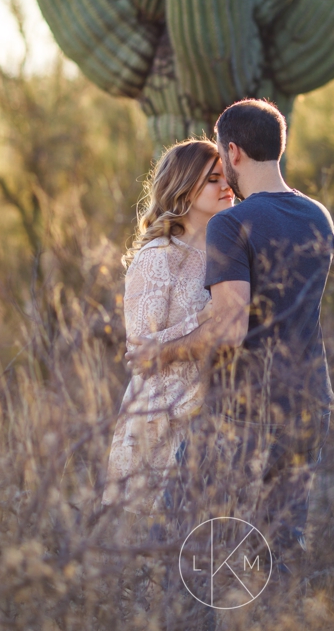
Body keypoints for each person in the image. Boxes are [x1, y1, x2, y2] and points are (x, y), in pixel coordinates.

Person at [126, 98, 334, 564]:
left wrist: (159, 353)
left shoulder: (231, 224)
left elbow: (229, 330)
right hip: (309, 401)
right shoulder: (318, 215)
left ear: (234, 152)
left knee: (186, 543)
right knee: (279, 544)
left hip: (244, 410)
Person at [103, 139, 232, 518]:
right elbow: (144, 354)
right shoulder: (158, 257)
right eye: (213, 179)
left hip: (219, 417)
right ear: (184, 187)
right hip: (163, 421)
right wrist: (211, 316)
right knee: (155, 558)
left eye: (227, 176)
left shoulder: (230, 252)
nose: (226, 186)